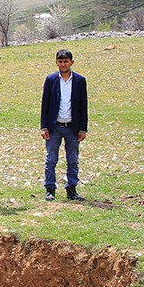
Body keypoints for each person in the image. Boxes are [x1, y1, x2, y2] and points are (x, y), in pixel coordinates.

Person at [40, 49, 88, 201]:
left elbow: (83, 106)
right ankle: (50, 189)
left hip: (72, 127)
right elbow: (44, 105)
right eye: (60, 62)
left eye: (66, 61)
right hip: (54, 127)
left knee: (72, 159)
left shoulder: (80, 81)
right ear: (56, 63)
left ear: (71, 62)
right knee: (51, 159)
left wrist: (83, 128)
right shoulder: (51, 80)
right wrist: (44, 127)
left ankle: (72, 189)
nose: (63, 64)